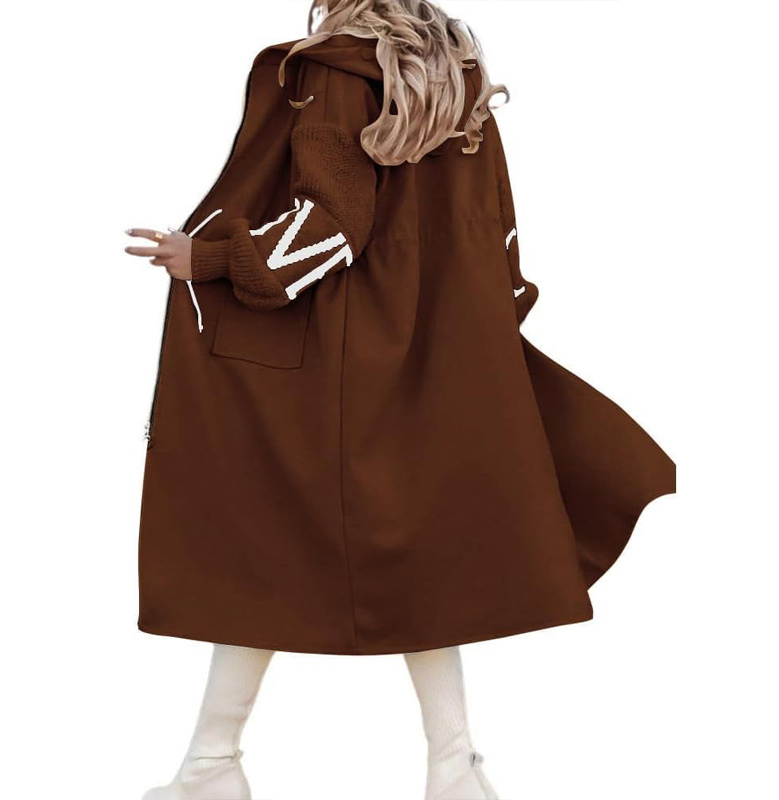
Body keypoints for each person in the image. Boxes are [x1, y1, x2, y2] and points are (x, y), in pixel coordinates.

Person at [124, 1, 676, 798]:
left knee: (258, 545)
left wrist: (208, 259)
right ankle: (451, 772)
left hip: (332, 357)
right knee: (420, 563)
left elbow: (330, 228)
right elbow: (501, 233)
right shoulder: (457, 77)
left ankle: (213, 766)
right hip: (438, 347)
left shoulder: (331, 71)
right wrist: (482, 338)